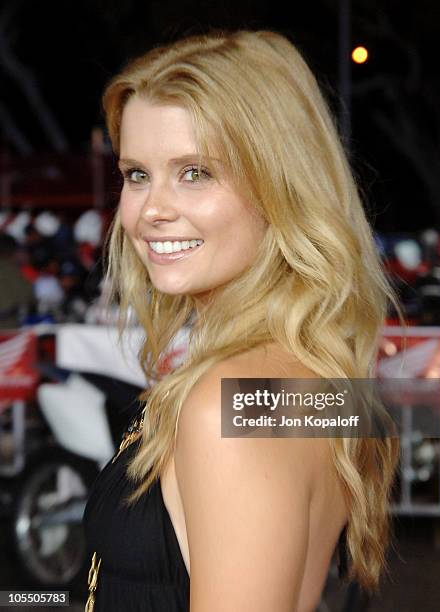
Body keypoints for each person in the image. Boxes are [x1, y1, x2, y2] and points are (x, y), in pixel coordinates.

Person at [83, 29, 402, 611]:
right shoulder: (297, 382)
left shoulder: (230, 403)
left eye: (194, 172)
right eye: (136, 174)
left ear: (281, 187)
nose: (151, 210)